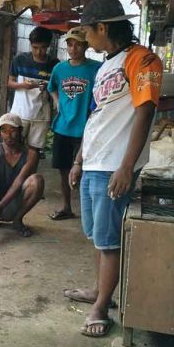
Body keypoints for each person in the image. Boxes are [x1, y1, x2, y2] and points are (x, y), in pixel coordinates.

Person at [66, 0, 162, 338]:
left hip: (113, 166)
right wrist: (79, 160)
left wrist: (126, 167)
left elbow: (145, 111)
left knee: (109, 242)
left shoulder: (144, 60)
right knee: (97, 237)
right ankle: (99, 289)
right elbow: (97, 117)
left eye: (87, 32)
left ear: (102, 28)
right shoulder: (106, 65)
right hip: (94, 161)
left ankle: (100, 307)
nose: (85, 40)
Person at [47, 28, 102, 221]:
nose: (73, 48)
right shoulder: (59, 69)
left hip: (85, 128)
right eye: (70, 44)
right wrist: (57, 102)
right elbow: (51, 87)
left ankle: (89, 210)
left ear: (86, 46)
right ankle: (66, 207)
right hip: (63, 127)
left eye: (78, 44)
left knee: (87, 171)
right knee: (63, 170)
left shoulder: (96, 68)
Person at [7, 26, 59, 150]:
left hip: (41, 115)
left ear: (48, 46)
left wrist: (48, 87)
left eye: (43, 48)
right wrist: (22, 85)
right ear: (30, 45)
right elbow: (9, 83)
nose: (38, 52)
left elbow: (56, 89)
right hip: (19, 114)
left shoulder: (54, 64)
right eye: (35, 48)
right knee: (14, 147)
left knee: (34, 150)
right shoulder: (19, 60)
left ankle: (31, 170)